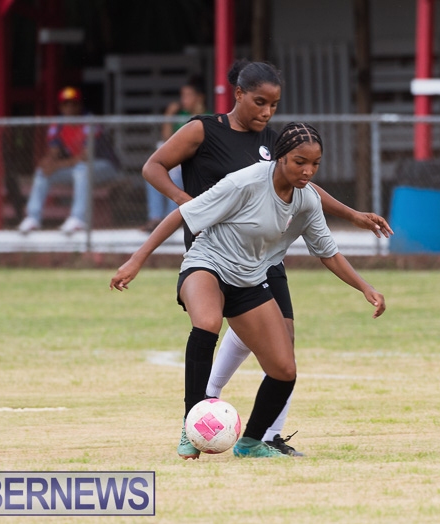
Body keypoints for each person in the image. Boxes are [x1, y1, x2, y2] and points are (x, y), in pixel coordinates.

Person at [143, 59, 392, 458]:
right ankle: (199, 415)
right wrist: (186, 202)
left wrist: (352, 215)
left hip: (265, 256)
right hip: (214, 249)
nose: (267, 112)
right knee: (209, 324)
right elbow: (153, 166)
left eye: (274, 105)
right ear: (238, 93)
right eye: (260, 102)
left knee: (283, 344)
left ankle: (263, 436)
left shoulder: (276, 142)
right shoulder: (203, 130)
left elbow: (305, 186)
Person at [18, 87, 119, 234]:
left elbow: (85, 157)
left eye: (73, 104)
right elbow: (54, 153)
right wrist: (48, 163)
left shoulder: (90, 122)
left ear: (79, 106)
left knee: (82, 169)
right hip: (77, 168)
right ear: (61, 107)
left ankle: (78, 219)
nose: (69, 108)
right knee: (43, 172)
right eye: (66, 104)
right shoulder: (58, 125)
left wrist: (56, 165)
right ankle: (33, 218)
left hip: (105, 167)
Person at [144, 76, 209, 232]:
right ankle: (156, 218)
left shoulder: (209, 117)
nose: (183, 100)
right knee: (154, 173)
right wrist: (169, 115)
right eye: (182, 96)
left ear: (199, 97)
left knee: (176, 174)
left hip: (196, 165)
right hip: (178, 162)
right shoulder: (180, 116)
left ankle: (171, 219)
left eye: (188, 95)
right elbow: (166, 140)